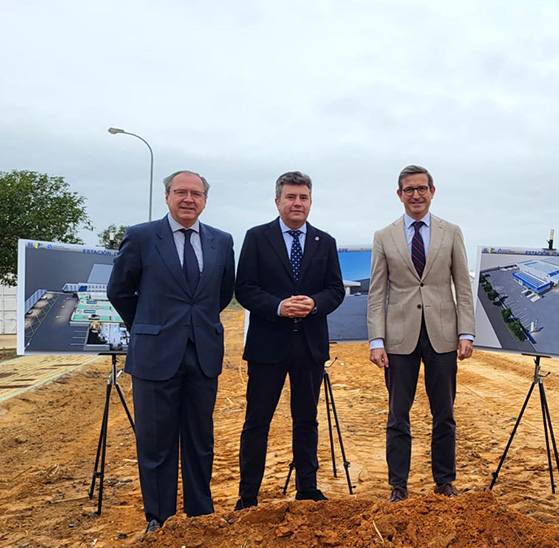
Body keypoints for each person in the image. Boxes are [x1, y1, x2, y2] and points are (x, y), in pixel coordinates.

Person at [107, 170, 235, 534]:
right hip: (155, 354)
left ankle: (200, 515)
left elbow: (222, 294)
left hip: (203, 353)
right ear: (167, 196)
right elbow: (120, 290)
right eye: (181, 192)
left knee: (200, 440)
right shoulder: (142, 237)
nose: (188, 199)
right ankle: (159, 518)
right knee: (156, 443)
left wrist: (196, 324)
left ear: (205, 200)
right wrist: (149, 326)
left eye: (196, 193)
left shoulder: (221, 241)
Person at [234, 171, 345, 509]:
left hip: (309, 345)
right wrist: (279, 306)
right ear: (278, 201)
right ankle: (248, 495)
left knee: (306, 419)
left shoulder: (324, 242)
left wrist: (315, 304)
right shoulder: (256, 237)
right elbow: (245, 288)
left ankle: (307, 489)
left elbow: (336, 289)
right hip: (268, 344)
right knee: (257, 421)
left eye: (304, 197)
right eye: (291, 197)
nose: (298, 203)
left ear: (310, 201)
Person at [367, 164, 475, 503]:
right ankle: (398, 484)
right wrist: (376, 340)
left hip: (442, 335)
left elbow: (463, 284)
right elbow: (376, 292)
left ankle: (444, 481)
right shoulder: (384, 237)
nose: (416, 195)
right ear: (399, 194)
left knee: (444, 413)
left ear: (432, 192)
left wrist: (466, 332)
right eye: (409, 189)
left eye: (422, 188)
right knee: (398, 414)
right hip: (399, 339)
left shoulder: (451, 232)